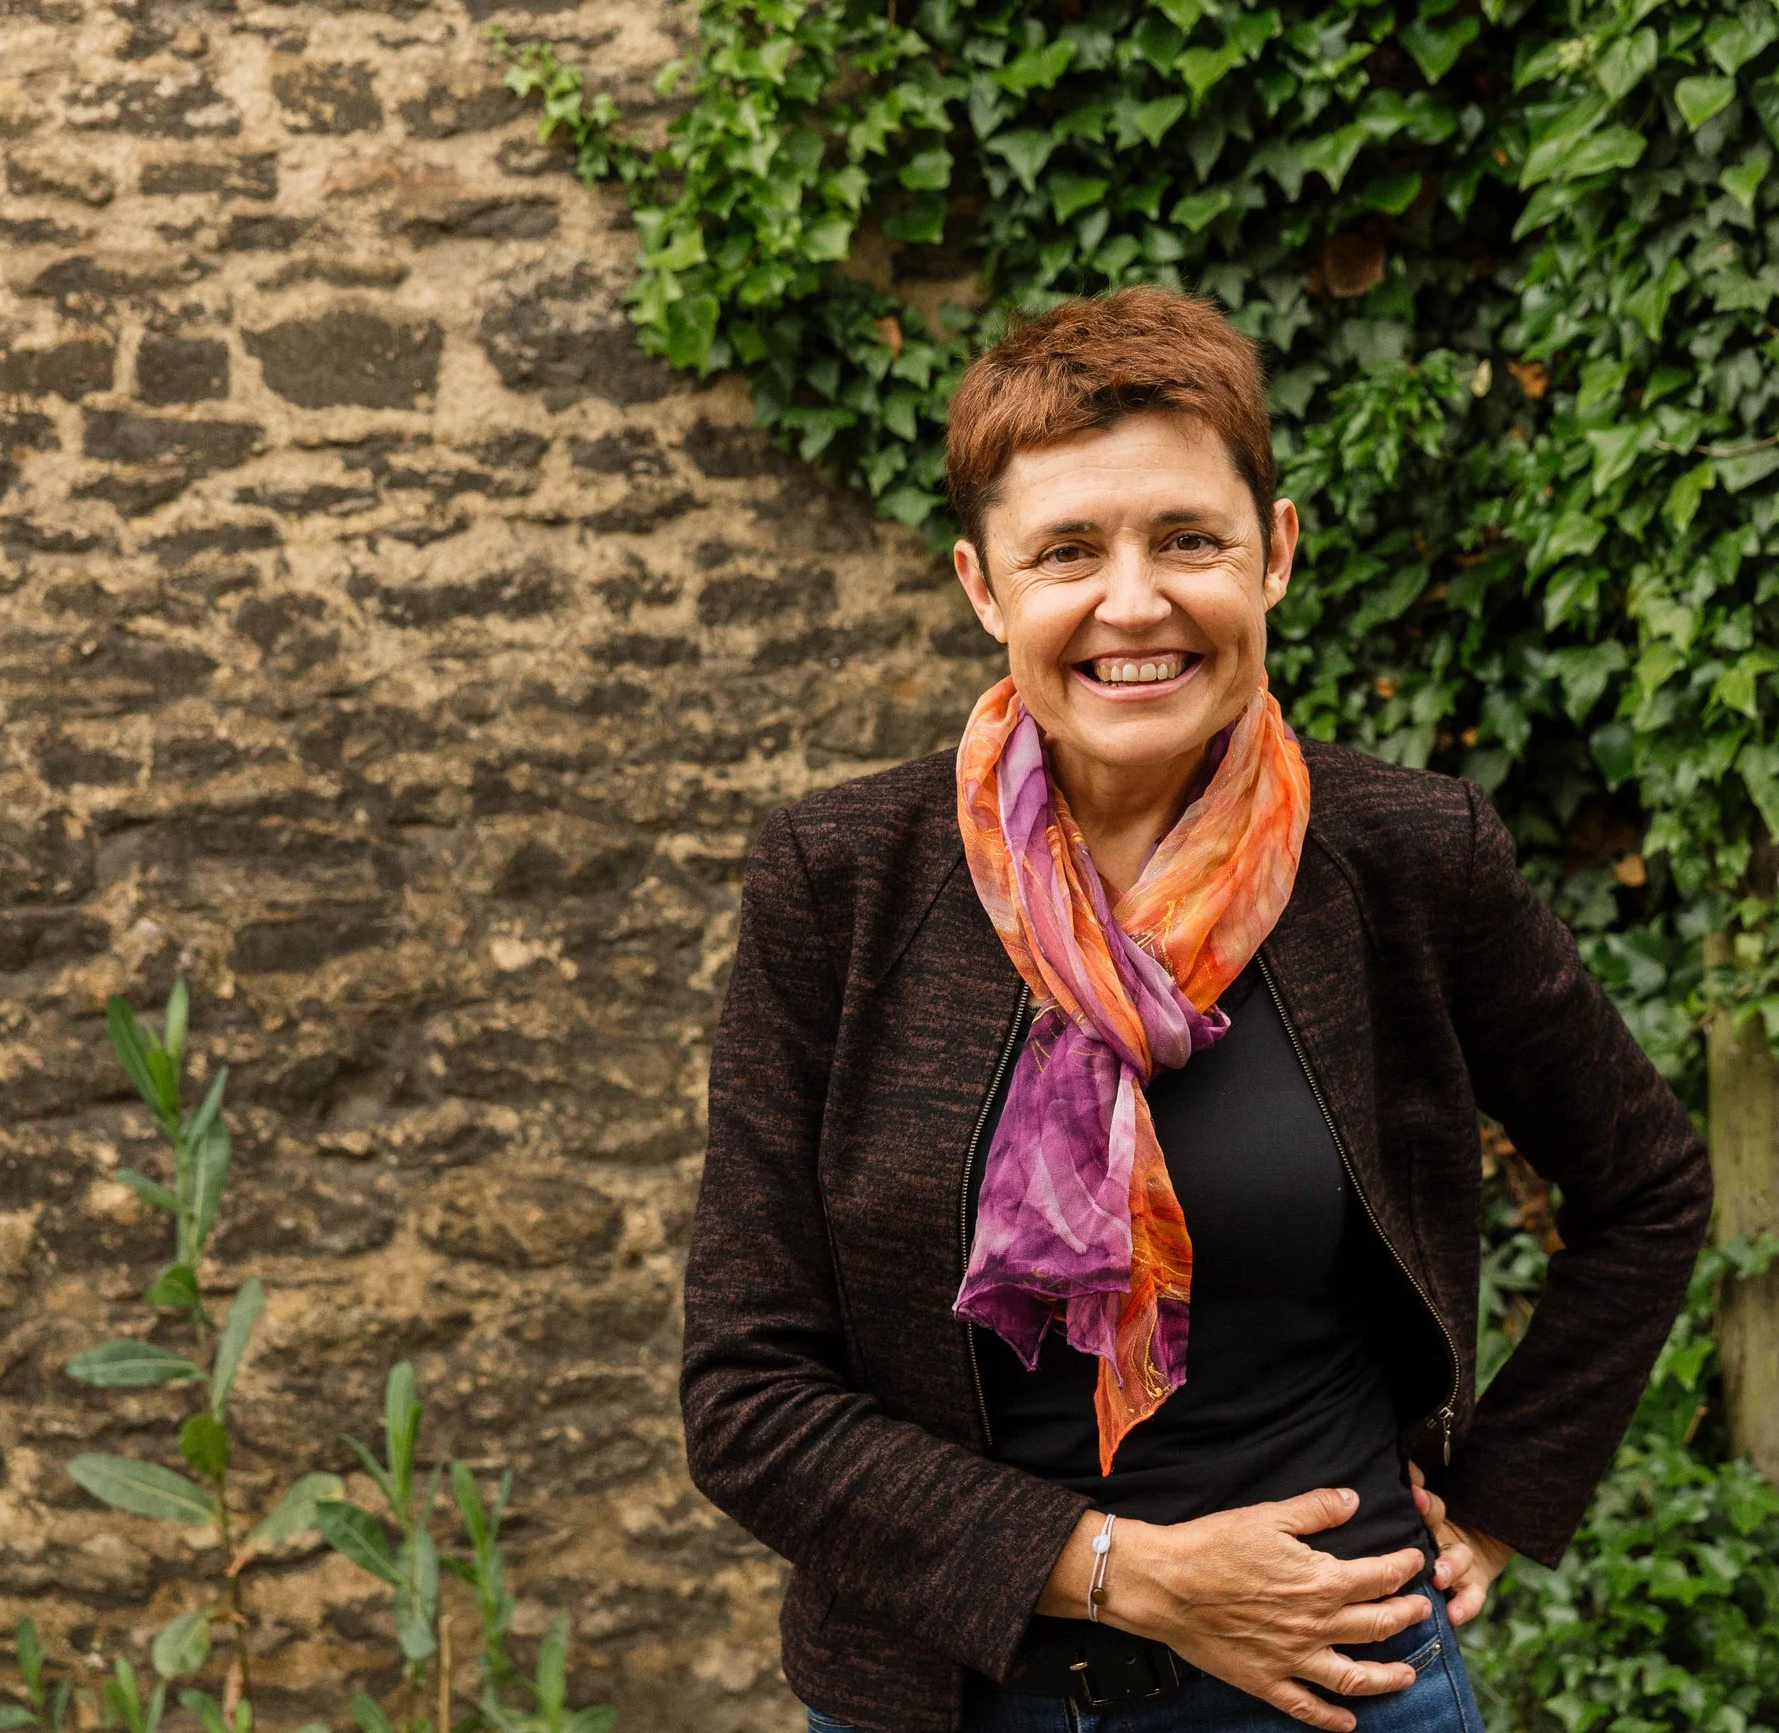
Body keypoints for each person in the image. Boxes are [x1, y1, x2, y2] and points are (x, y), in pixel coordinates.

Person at [681, 287, 1710, 1733]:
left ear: (1273, 553)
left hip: (1337, 1690)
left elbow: (1648, 1183)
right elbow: (747, 1393)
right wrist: (1125, 1573)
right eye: (1067, 553)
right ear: (986, 588)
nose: (1134, 603)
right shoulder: (842, 883)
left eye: (1187, 539)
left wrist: (1502, 1494)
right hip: (944, 1701)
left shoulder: (1405, 860)